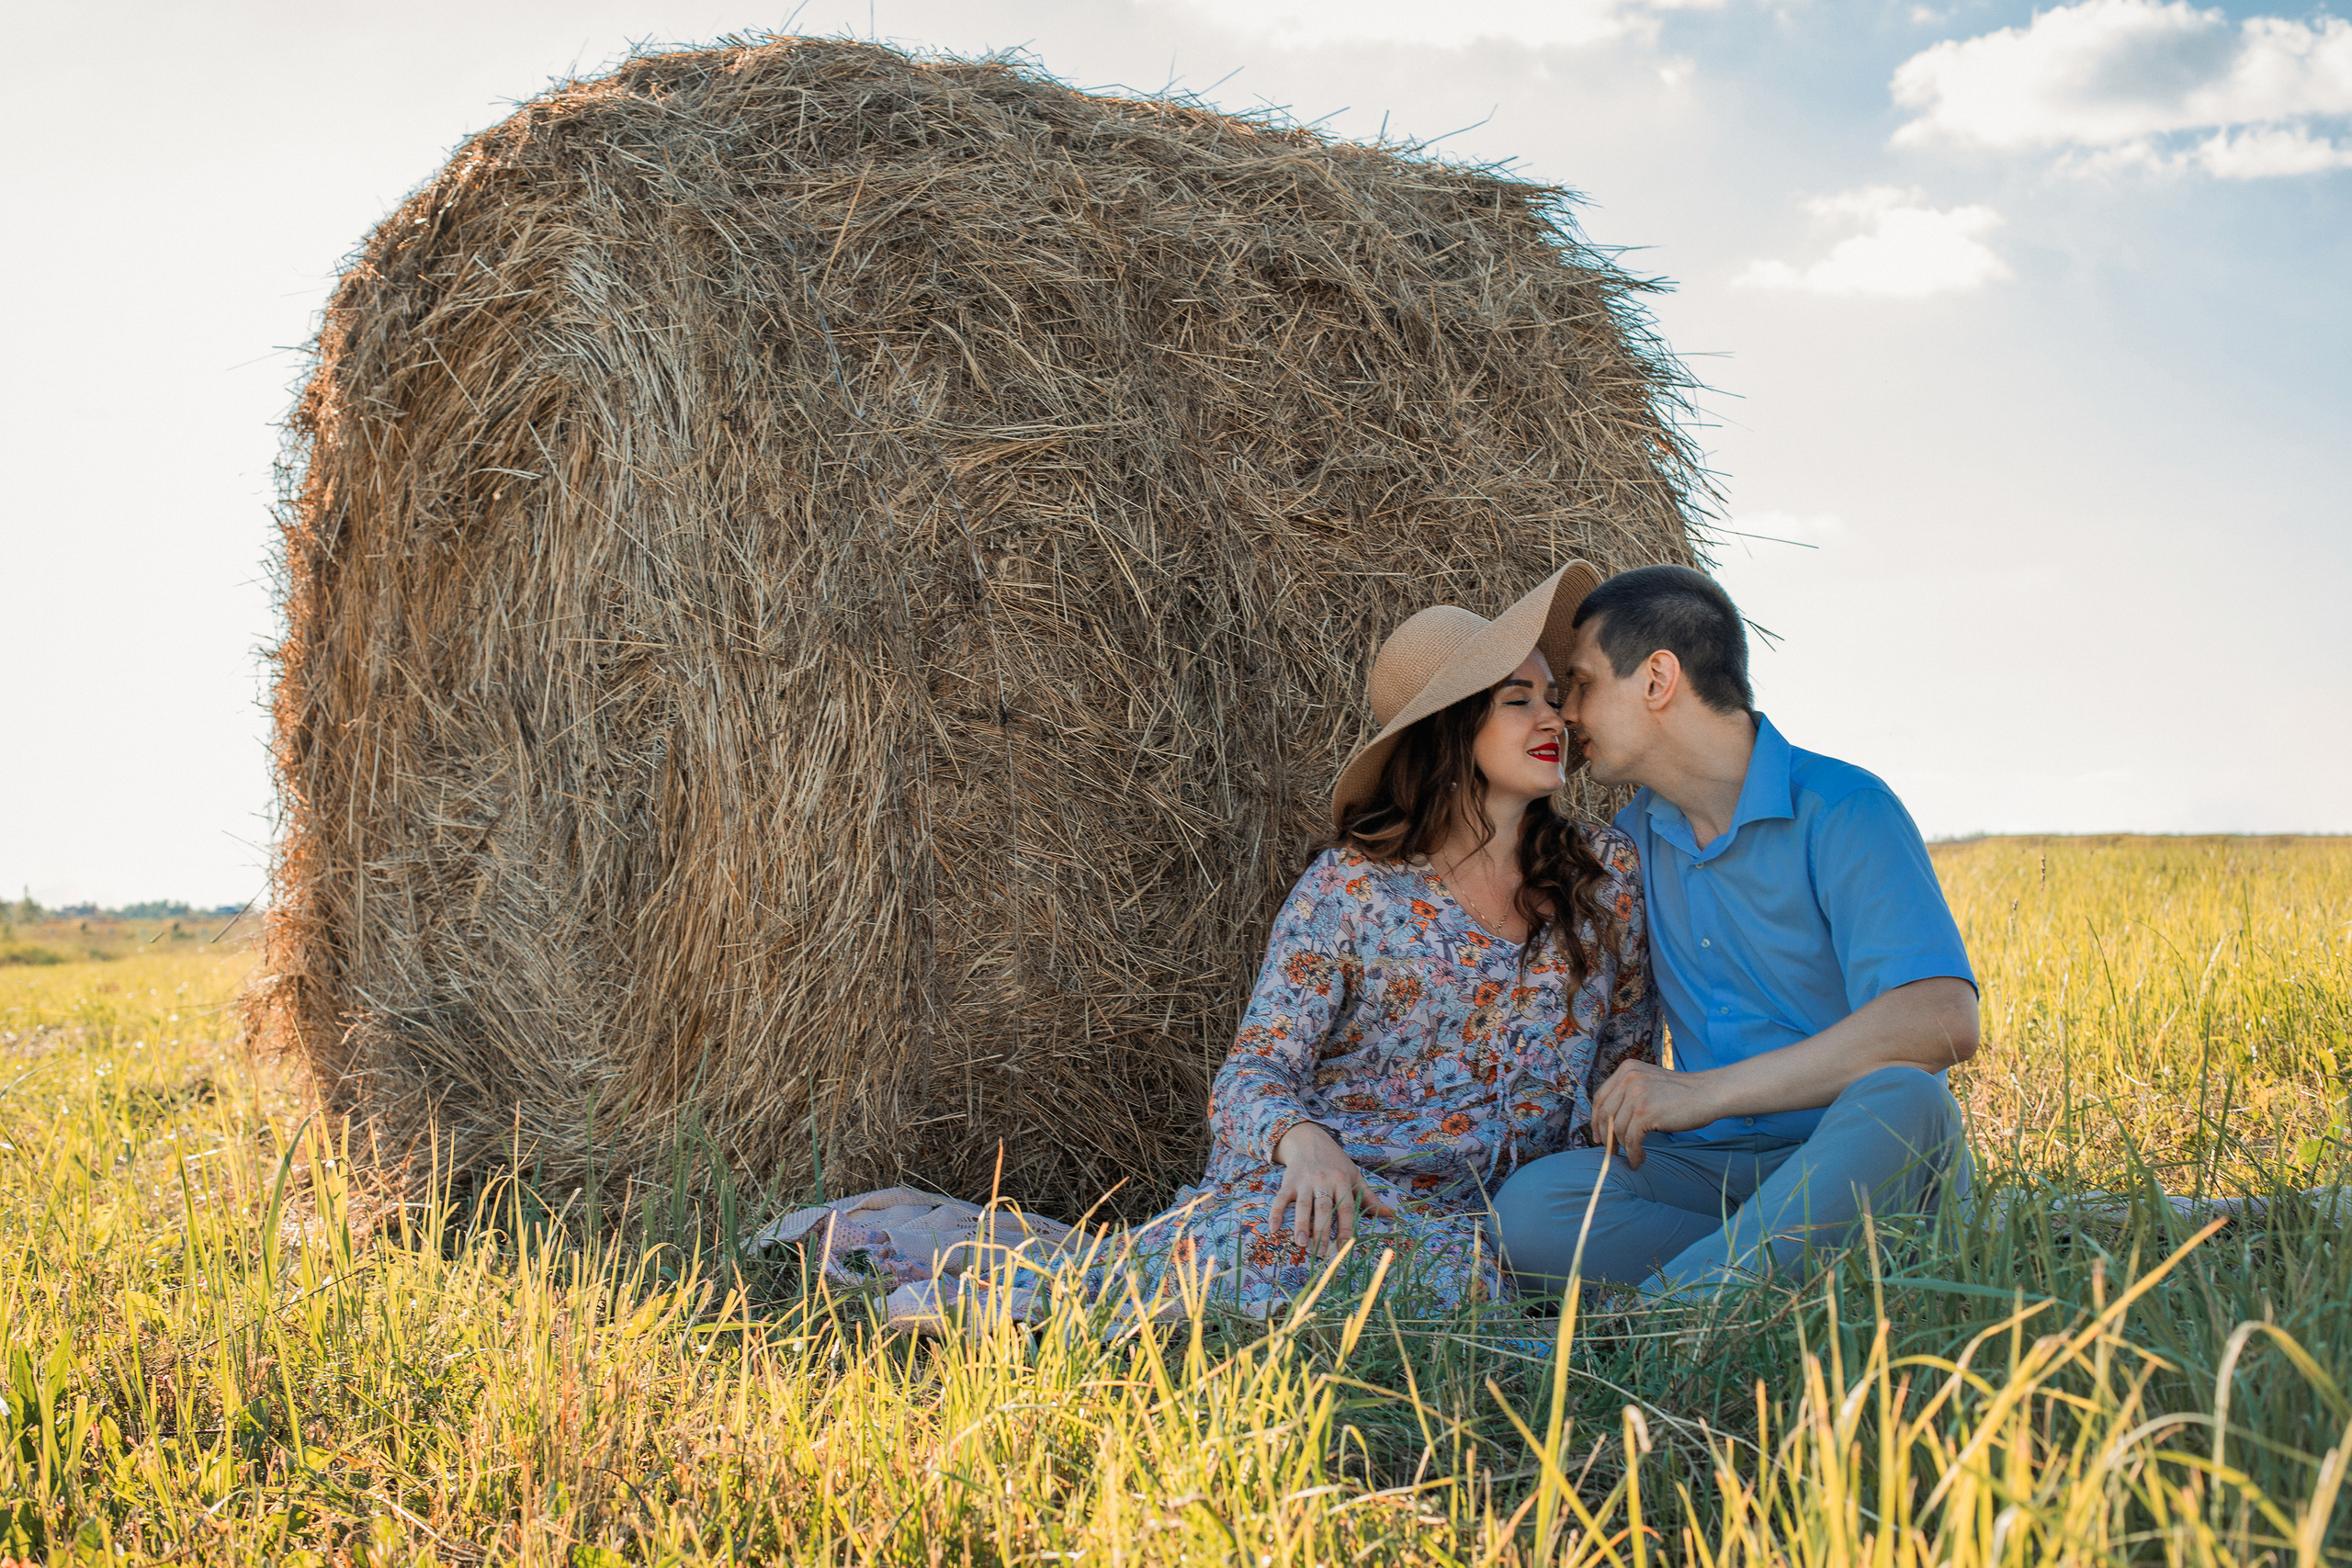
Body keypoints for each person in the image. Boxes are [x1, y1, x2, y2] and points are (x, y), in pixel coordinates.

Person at [1120, 562, 1657, 1315]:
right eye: (1518, 700)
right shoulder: (1352, 887)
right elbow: (1251, 1075)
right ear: (1452, 729)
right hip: (1340, 1191)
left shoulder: (1606, 878)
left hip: (1517, 1221)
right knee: (1258, 1265)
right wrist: (1306, 1144)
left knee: (1442, 1289)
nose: (1555, 719)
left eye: (1554, 696)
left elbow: (1619, 1072)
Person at [1489, 565, 1977, 1302]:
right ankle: (1788, 1268)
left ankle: (1663, 1323)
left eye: (1583, 683)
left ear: (1658, 678)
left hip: (1851, 1149)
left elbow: (1942, 1019)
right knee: (1529, 1212)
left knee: (1912, 1102)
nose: (1569, 714)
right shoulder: (1627, 845)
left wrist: (1702, 1092)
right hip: (1711, 1171)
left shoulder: (1845, 809)